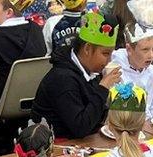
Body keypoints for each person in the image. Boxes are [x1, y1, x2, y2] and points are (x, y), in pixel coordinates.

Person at [35, 8, 119, 140]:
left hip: (82, 141)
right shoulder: (62, 78)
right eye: (105, 53)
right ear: (87, 49)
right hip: (55, 146)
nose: (109, 60)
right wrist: (103, 88)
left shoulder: (91, 71)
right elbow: (80, 127)